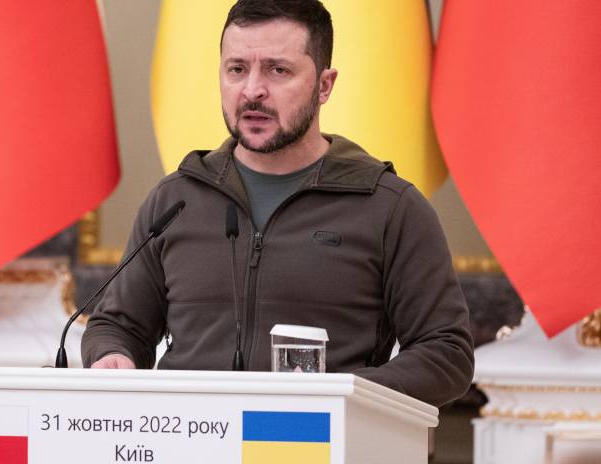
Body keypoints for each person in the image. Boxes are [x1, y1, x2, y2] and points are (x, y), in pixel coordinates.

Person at [81, 0, 473, 407]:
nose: (252, 90)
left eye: (278, 70)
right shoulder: (174, 200)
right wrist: (112, 354)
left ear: (324, 86)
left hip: (320, 435)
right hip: (189, 432)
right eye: (237, 69)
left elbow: (446, 354)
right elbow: (118, 325)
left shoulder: (389, 207)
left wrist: (343, 396)